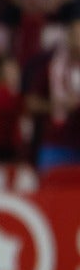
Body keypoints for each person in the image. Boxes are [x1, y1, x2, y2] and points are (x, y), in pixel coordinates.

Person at [22, 19, 80, 173]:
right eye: (77, 35)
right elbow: (31, 102)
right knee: (52, 192)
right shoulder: (51, 67)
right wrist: (57, 105)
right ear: (69, 38)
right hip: (57, 144)